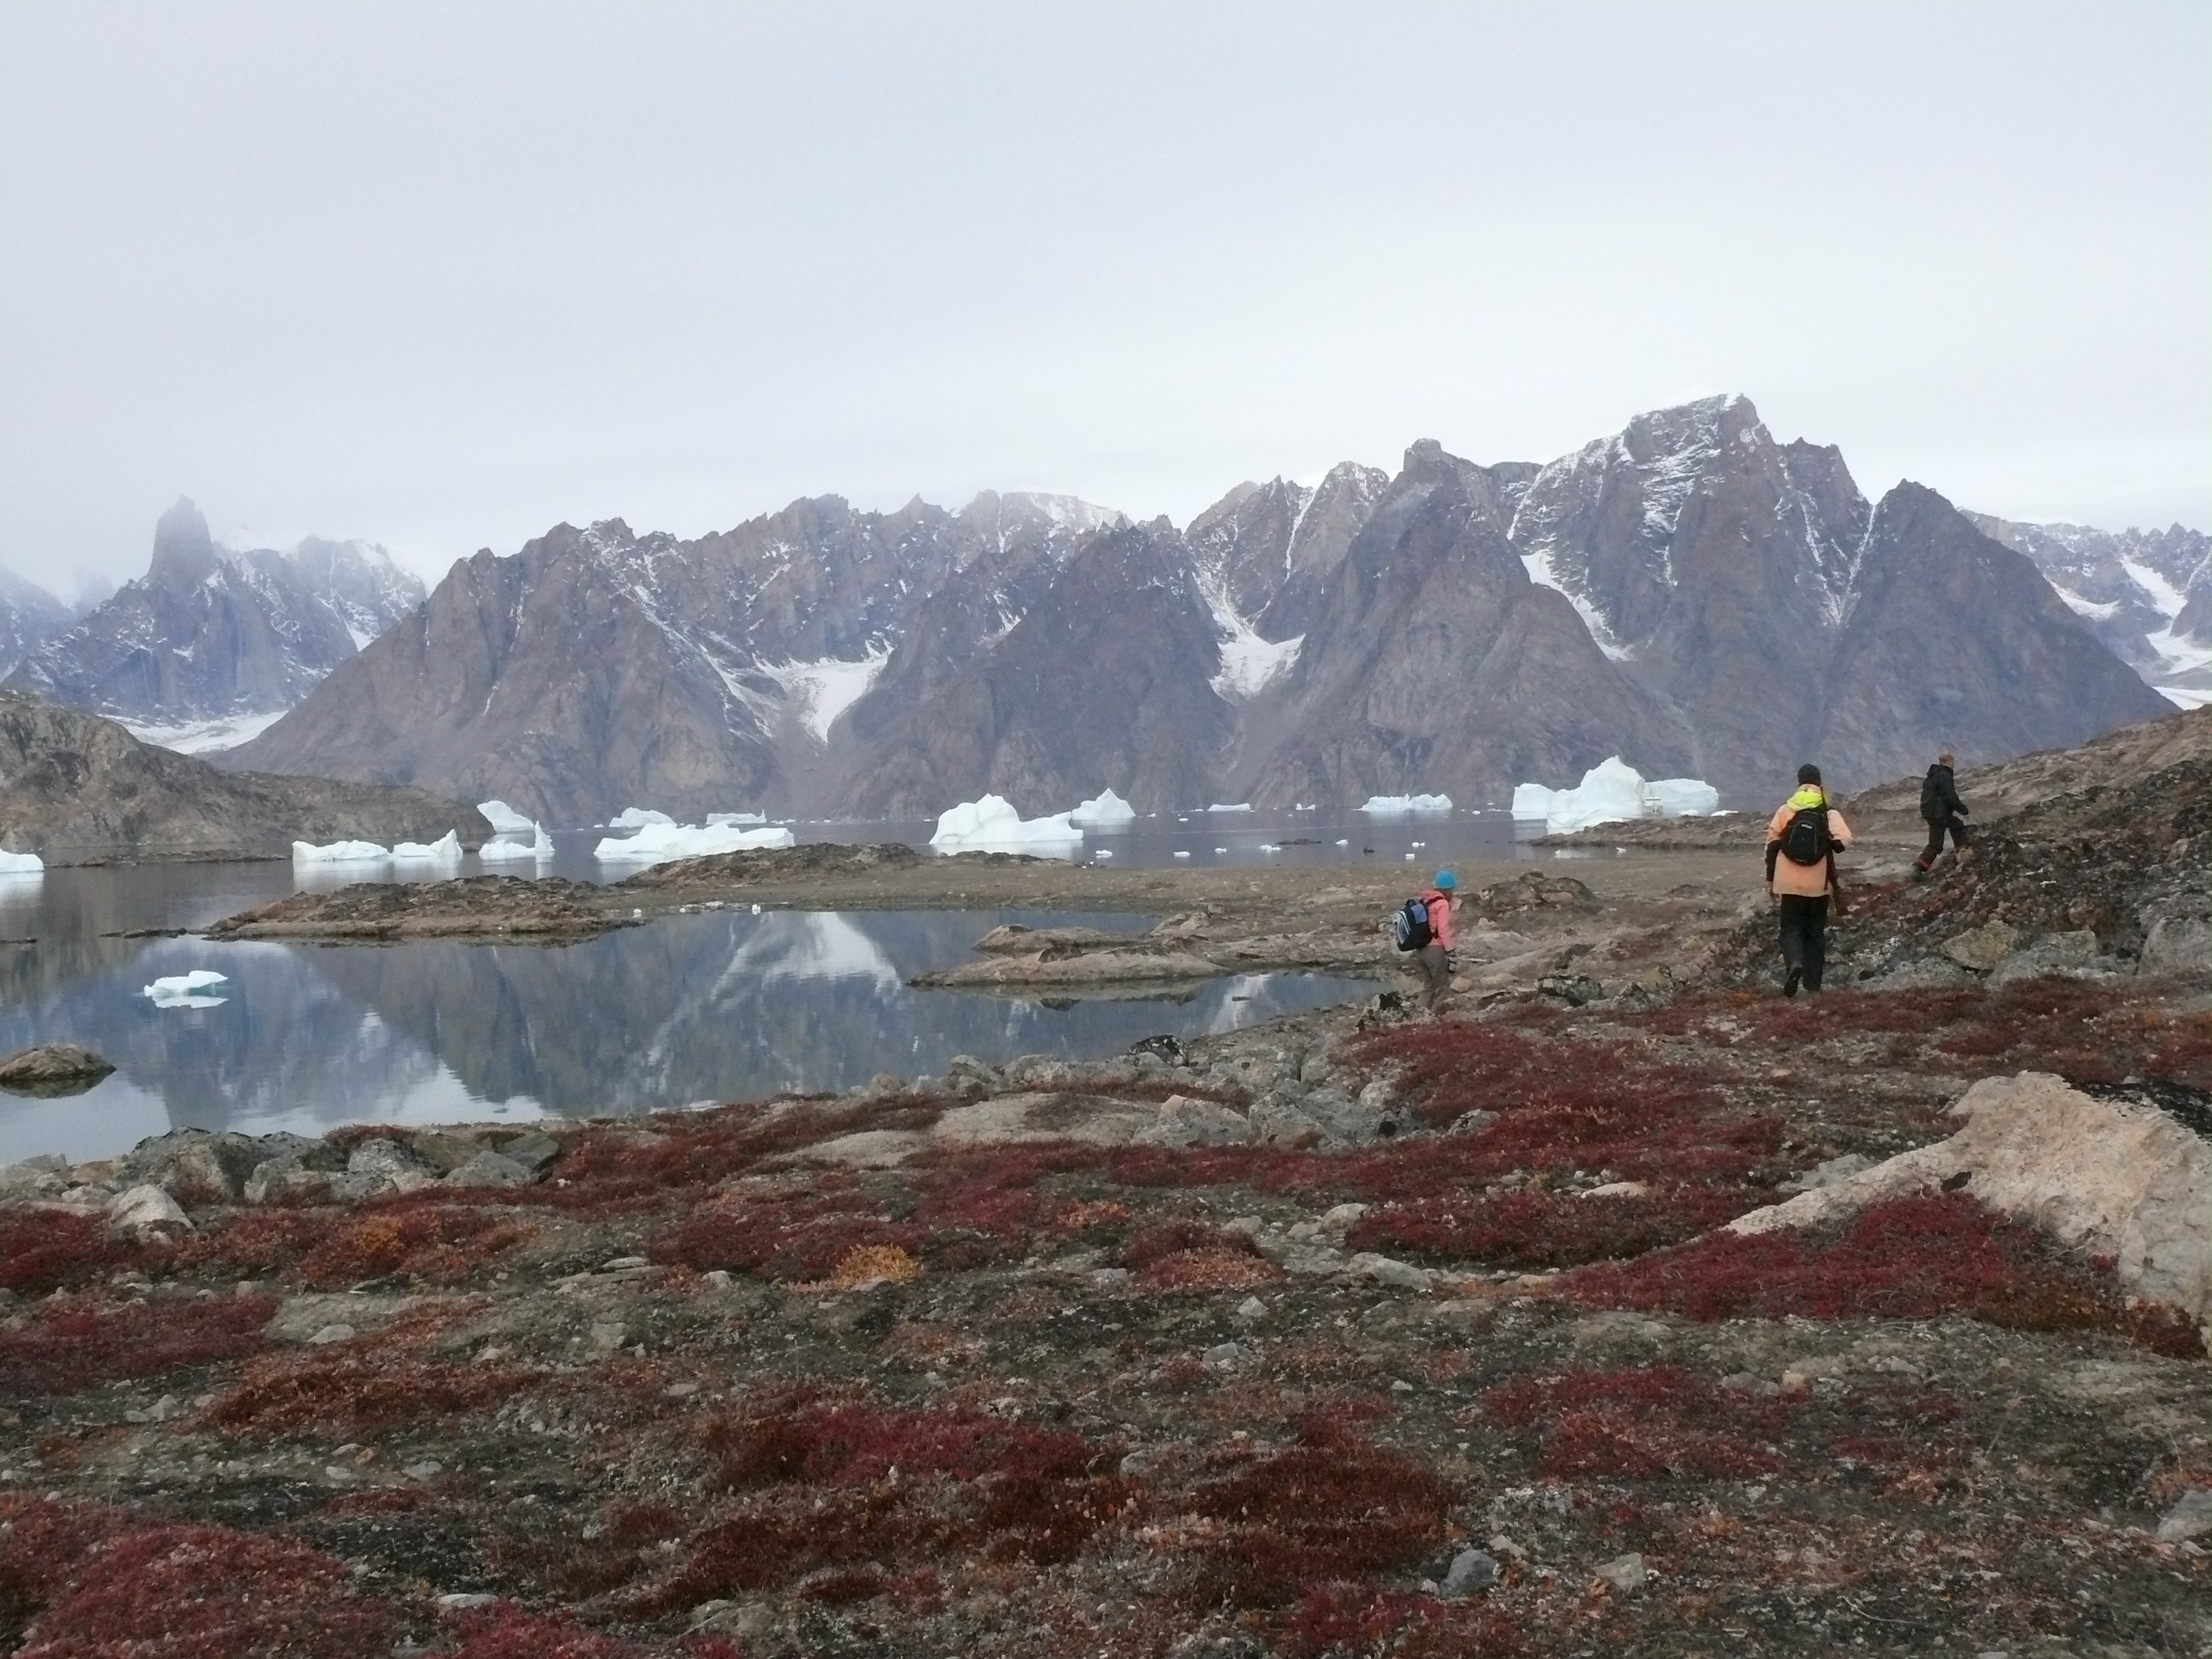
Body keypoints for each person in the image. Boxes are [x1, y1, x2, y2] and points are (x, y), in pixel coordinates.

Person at [1765, 764, 1851, 997]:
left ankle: (1795, 964)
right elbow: (1843, 841)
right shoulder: (1828, 813)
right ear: (1820, 786)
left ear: (1799, 784)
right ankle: (1813, 986)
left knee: (1790, 928)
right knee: (1815, 933)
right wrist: (1827, 841)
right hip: (1817, 885)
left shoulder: (1786, 810)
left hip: (1788, 883)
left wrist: (1770, 880)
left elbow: (1772, 846)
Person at [1914, 751, 1969, 878]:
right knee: (1936, 844)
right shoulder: (1944, 775)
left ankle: (1961, 851)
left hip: (1931, 812)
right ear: (1949, 762)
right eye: (1953, 762)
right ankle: (1919, 868)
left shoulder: (1933, 775)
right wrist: (1963, 810)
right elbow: (1949, 796)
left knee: (1955, 824)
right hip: (1939, 813)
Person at [1414, 869, 1457, 1008]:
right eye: (1451, 890)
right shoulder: (1442, 904)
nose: (1453, 894)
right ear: (1446, 890)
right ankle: (1435, 1021)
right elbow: (1443, 930)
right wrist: (1451, 952)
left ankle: (1418, 1016)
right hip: (1434, 950)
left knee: (1428, 987)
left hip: (1421, 949)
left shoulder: (1425, 900)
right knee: (1442, 988)